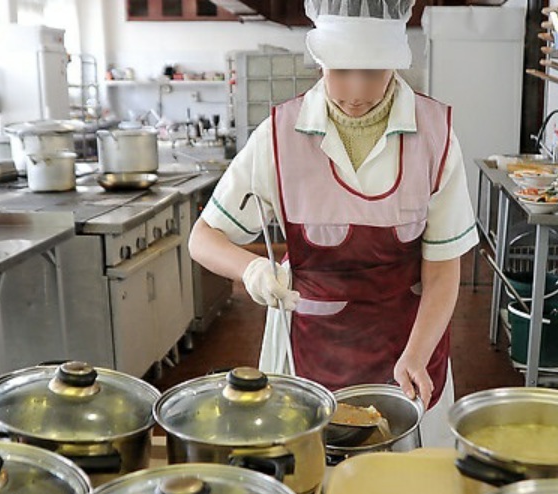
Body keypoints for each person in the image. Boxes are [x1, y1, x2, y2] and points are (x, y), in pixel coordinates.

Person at [187, 0, 478, 446]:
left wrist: (416, 357)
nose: (357, 91)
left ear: (397, 61)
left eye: (374, 71)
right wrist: (253, 270)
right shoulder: (280, 136)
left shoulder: (434, 134)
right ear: (319, 58)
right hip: (307, 351)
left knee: (408, 493)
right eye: (341, 71)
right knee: (311, 482)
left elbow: (442, 269)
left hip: (409, 349)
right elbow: (203, 239)